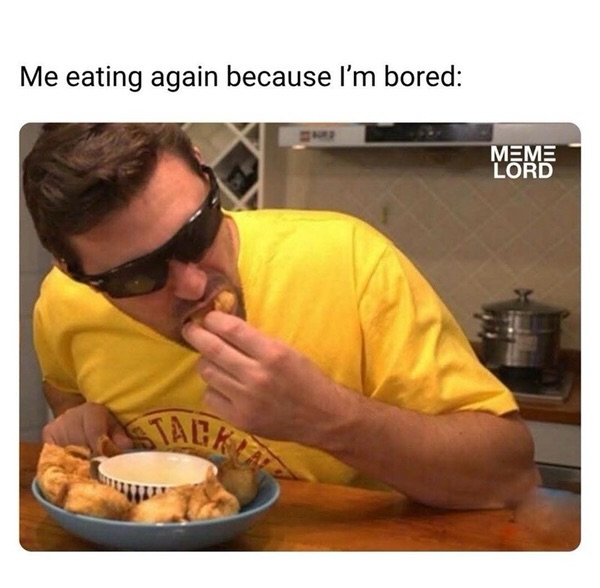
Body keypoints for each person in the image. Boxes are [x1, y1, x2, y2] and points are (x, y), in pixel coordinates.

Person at [22, 123, 540, 510]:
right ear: (73, 271)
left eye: (198, 231)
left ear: (204, 169)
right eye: (139, 277)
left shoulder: (350, 260)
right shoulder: (64, 305)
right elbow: (68, 396)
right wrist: (81, 426)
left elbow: (511, 475)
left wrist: (328, 418)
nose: (195, 285)